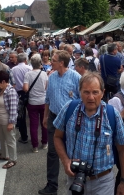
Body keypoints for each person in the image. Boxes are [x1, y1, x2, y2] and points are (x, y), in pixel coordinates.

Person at [54, 72, 124, 195]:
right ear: (80, 92)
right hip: (75, 179)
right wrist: (65, 161)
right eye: (86, 92)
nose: (91, 97)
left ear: (102, 93)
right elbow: (57, 137)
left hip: (103, 182)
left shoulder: (112, 115)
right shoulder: (70, 109)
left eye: (95, 92)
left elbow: (123, 149)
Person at [39, 50, 81, 195]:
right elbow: (48, 99)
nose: (51, 62)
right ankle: (52, 185)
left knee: (74, 151)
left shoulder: (76, 77)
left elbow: (83, 100)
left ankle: (77, 182)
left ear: (62, 63)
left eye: (54, 60)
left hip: (71, 120)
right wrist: (45, 116)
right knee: (52, 153)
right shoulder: (51, 77)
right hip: (54, 118)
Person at [24, 54, 49, 153]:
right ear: (40, 63)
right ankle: (44, 143)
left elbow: (25, 88)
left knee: (33, 125)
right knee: (44, 123)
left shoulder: (28, 74)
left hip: (32, 102)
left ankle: (35, 146)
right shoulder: (44, 74)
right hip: (43, 101)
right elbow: (46, 87)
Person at [0, 71, 18, 169]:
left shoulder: (10, 92)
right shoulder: (2, 90)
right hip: (0, 121)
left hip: (7, 121)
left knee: (10, 140)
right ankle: (5, 154)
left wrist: (11, 123)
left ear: (3, 81)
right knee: (2, 138)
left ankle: (13, 159)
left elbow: (13, 108)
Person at [12, 53, 32, 144]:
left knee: (21, 116)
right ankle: (33, 135)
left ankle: (24, 137)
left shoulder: (13, 69)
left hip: (18, 93)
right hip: (29, 92)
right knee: (32, 115)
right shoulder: (29, 68)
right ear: (25, 60)